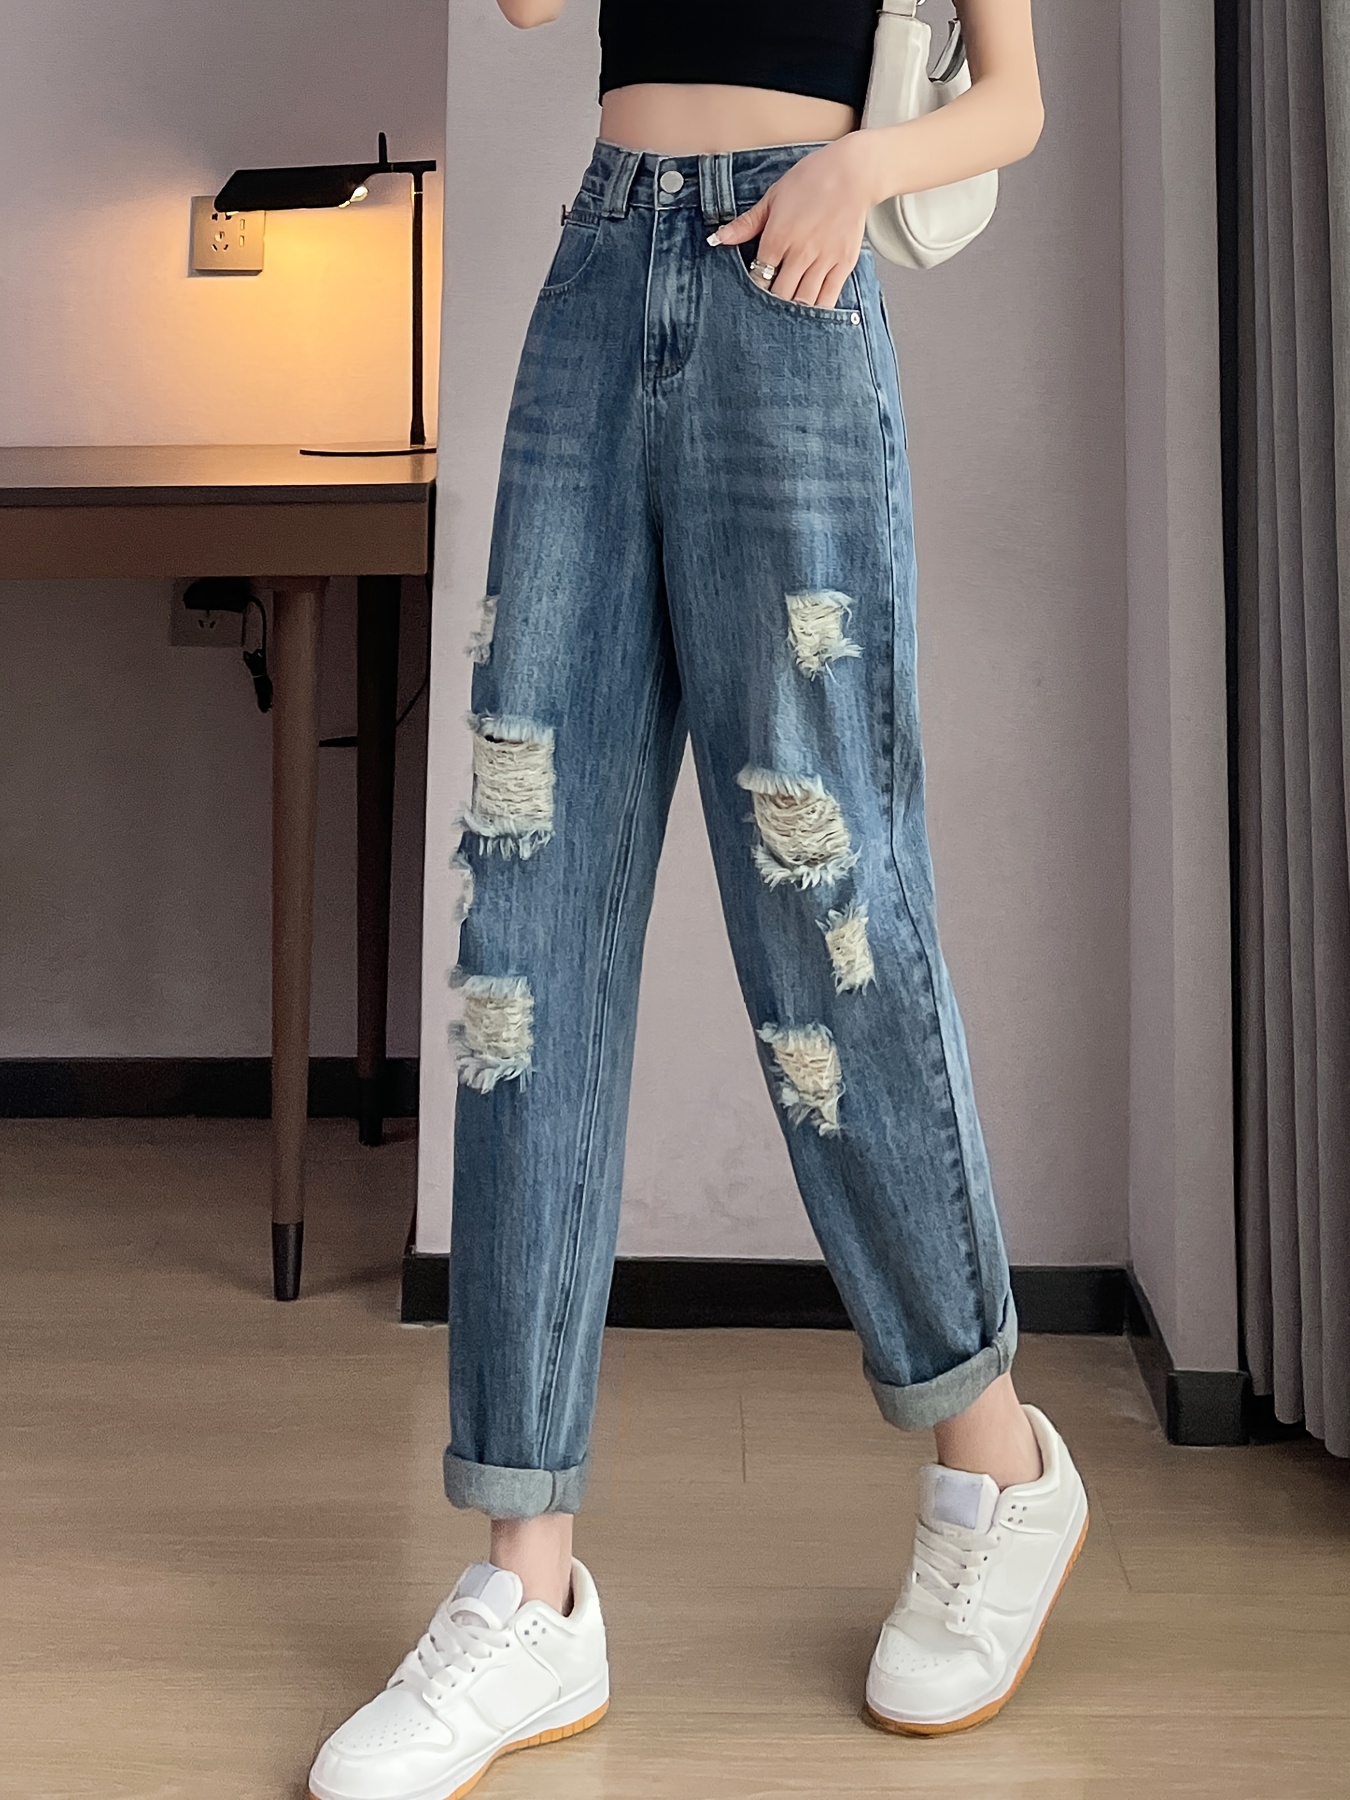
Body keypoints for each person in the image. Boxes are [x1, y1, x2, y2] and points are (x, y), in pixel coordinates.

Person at [309, 4, 1082, 1796]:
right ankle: (527, 1590)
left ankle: (998, 1471)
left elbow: (1014, 102)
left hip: (791, 303)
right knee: (522, 931)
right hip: (601, 271)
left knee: (827, 907)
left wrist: (855, 169)